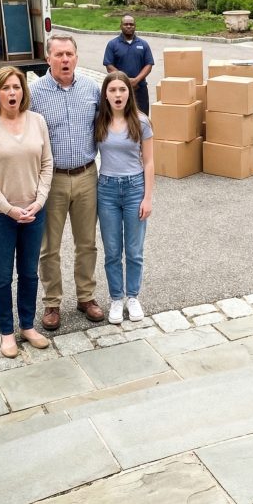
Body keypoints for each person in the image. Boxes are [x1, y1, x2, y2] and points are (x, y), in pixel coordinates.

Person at [0, 67, 53, 358]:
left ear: (23, 90)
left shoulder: (37, 121)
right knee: (2, 275)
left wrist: (39, 201)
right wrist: (8, 209)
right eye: (5, 88)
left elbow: (47, 164)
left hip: (33, 213)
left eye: (16, 87)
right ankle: (7, 333)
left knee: (29, 273)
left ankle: (28, 326)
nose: (12, 93)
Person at [30, 34, 103, 331]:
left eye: (69, 54)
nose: (65, 60)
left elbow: (108, 123)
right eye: (58, 54)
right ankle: (52, 302)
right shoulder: (34, 93)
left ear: (76, 57)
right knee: (50, 247)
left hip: (87, 175)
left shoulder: (91, 89)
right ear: (48, 58)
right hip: (52, 180)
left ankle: (86, 297)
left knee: (87, 243)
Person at [95, 71, 154, 323]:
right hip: (106, 189)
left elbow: (149, 162)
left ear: (129, 93)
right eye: (112, 90)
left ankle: (133, 296)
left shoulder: (141, 121)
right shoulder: (98, 120)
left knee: (134, 250)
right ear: (105, 94)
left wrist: (148, 197)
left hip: (134, 188)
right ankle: (116, 299)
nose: (118, 95)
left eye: (122, 90)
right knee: (111, 251)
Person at [103, 14, 154, 115]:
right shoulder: (112, 44)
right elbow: (109, 66)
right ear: (121, 26)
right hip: (119, 90)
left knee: (142, 117)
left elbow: (149, 65)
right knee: (122, 116)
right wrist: (125, 80)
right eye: (126, 24)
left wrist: (136, 80)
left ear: (135, 26)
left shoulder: (143, 44)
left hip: (140, 89)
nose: (129, 26)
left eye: (131, 24)